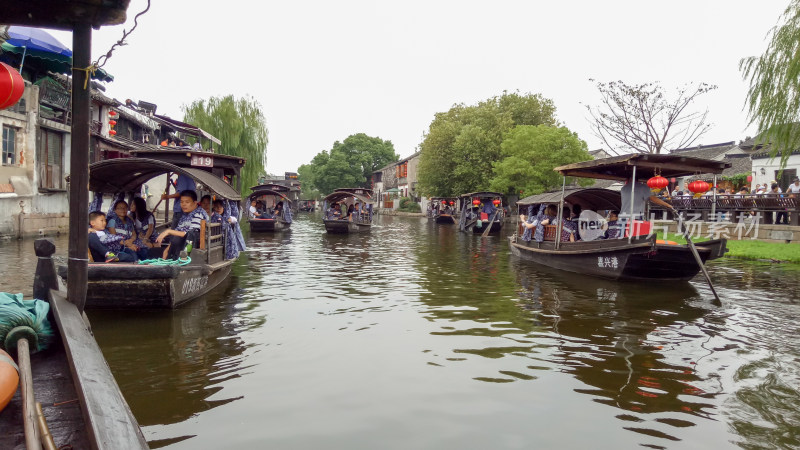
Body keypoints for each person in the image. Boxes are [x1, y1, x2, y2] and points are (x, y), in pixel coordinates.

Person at [156, 190, 209, 260]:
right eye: (181, 202)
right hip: (180, 247)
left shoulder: (199, 213)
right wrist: (167, 250)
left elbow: (189, 234)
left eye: (187, 202)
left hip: (193, 247)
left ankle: (180, 259)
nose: (183, 204)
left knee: (182, 236)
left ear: (195, 203)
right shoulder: (184, 215)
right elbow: (178, 231)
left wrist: (168, 231)